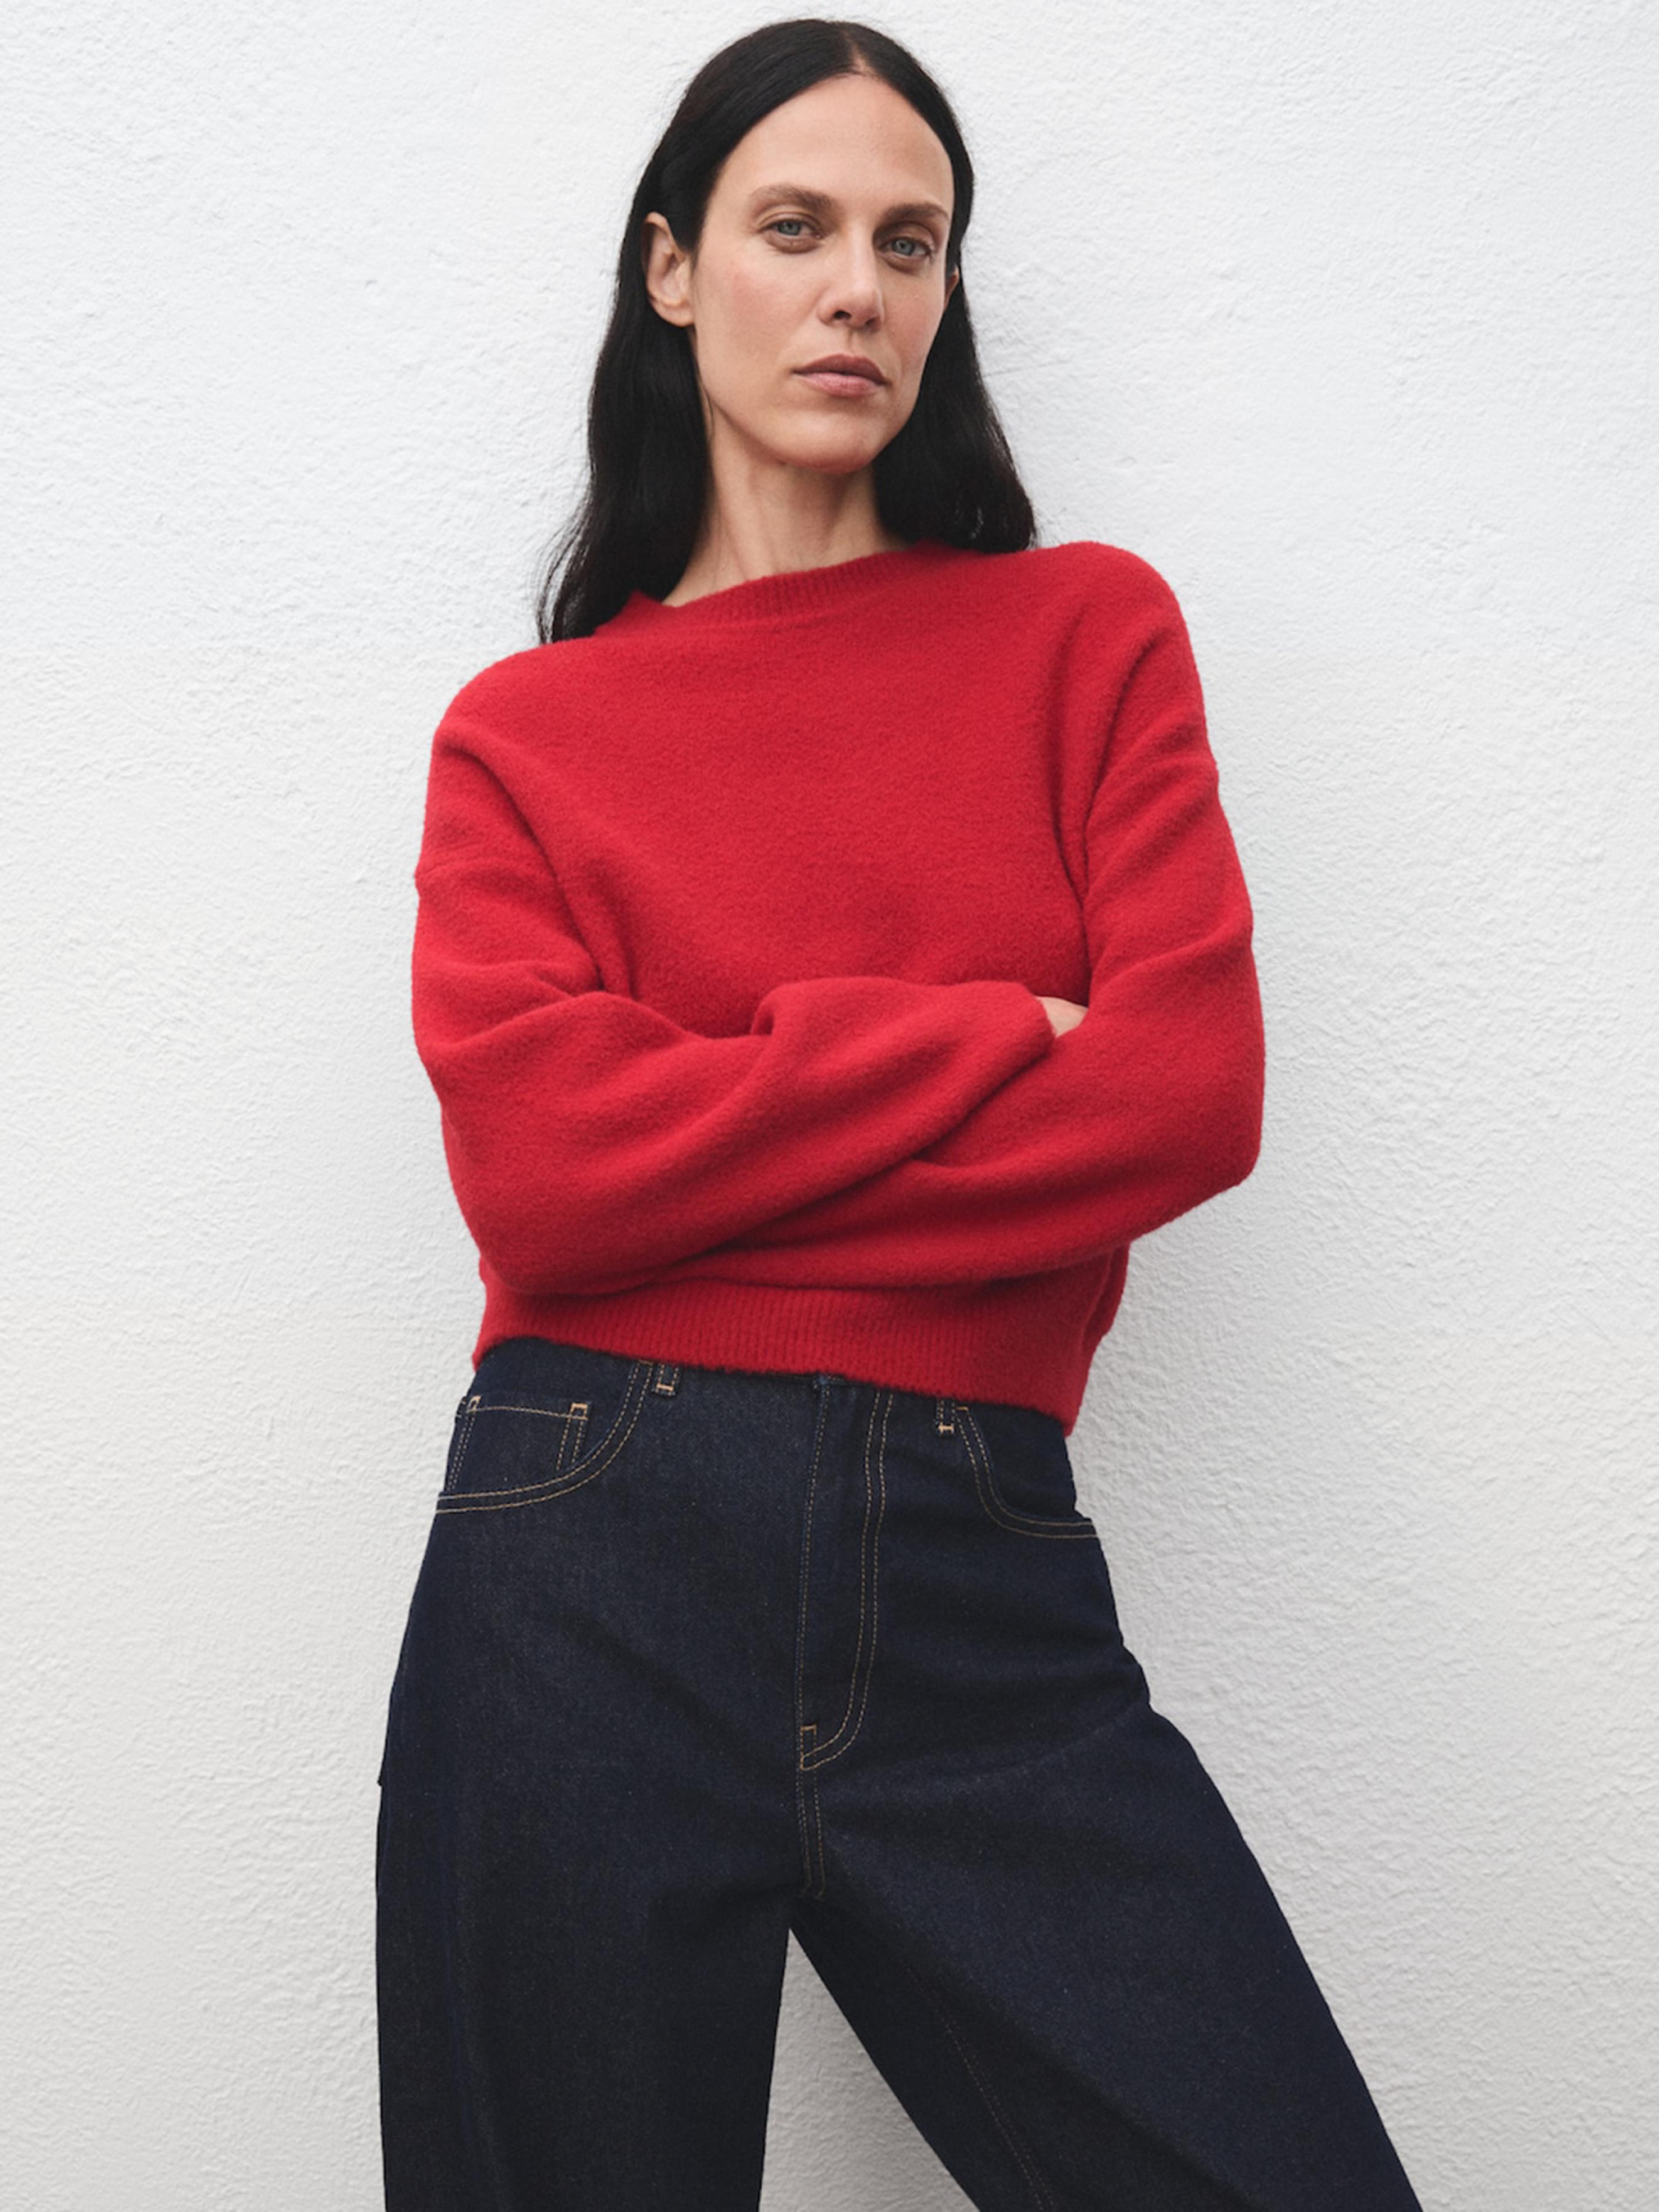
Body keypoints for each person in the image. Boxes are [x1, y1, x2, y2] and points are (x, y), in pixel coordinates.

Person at [374, 18, 1424, 2210]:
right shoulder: (526, 734)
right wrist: (979, 1034)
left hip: (974, 1567)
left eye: (909, 241)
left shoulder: (1082, 635)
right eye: (796, 227)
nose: (858, 286)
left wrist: (714, 1141)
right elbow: (545, 1182)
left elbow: (1182, 1098)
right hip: (580, 1568)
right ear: (674, 269)